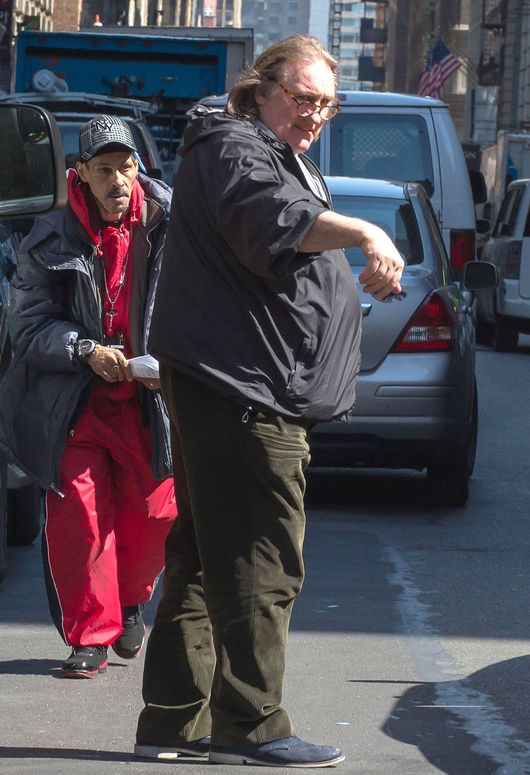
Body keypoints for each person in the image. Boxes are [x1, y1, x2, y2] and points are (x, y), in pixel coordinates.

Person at [134, 35, 404, 768]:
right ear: (259, 91)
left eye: (325, 103)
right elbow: (275, 223)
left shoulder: (258, 151)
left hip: (238, 382)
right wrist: (369, 230)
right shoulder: (236, 148)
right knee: (261, 559)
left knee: (201, 553)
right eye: (302, 97)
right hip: (245, 388)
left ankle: (171, 718)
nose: (314, 114)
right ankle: (252, 726)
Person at [0, 115, 175, 679]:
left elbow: (200, 307)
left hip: (150, 401)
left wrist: (171, 361)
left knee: (153, 514)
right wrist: (84, 350)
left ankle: (128, 603)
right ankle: (89, 637)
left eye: (126, 168)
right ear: (81, 174)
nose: (117, 181)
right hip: (72, 402)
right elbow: (28, 325)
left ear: (139, 170)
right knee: (81, 518)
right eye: (104, 170)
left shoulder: (174, 225)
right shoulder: (48, 235)